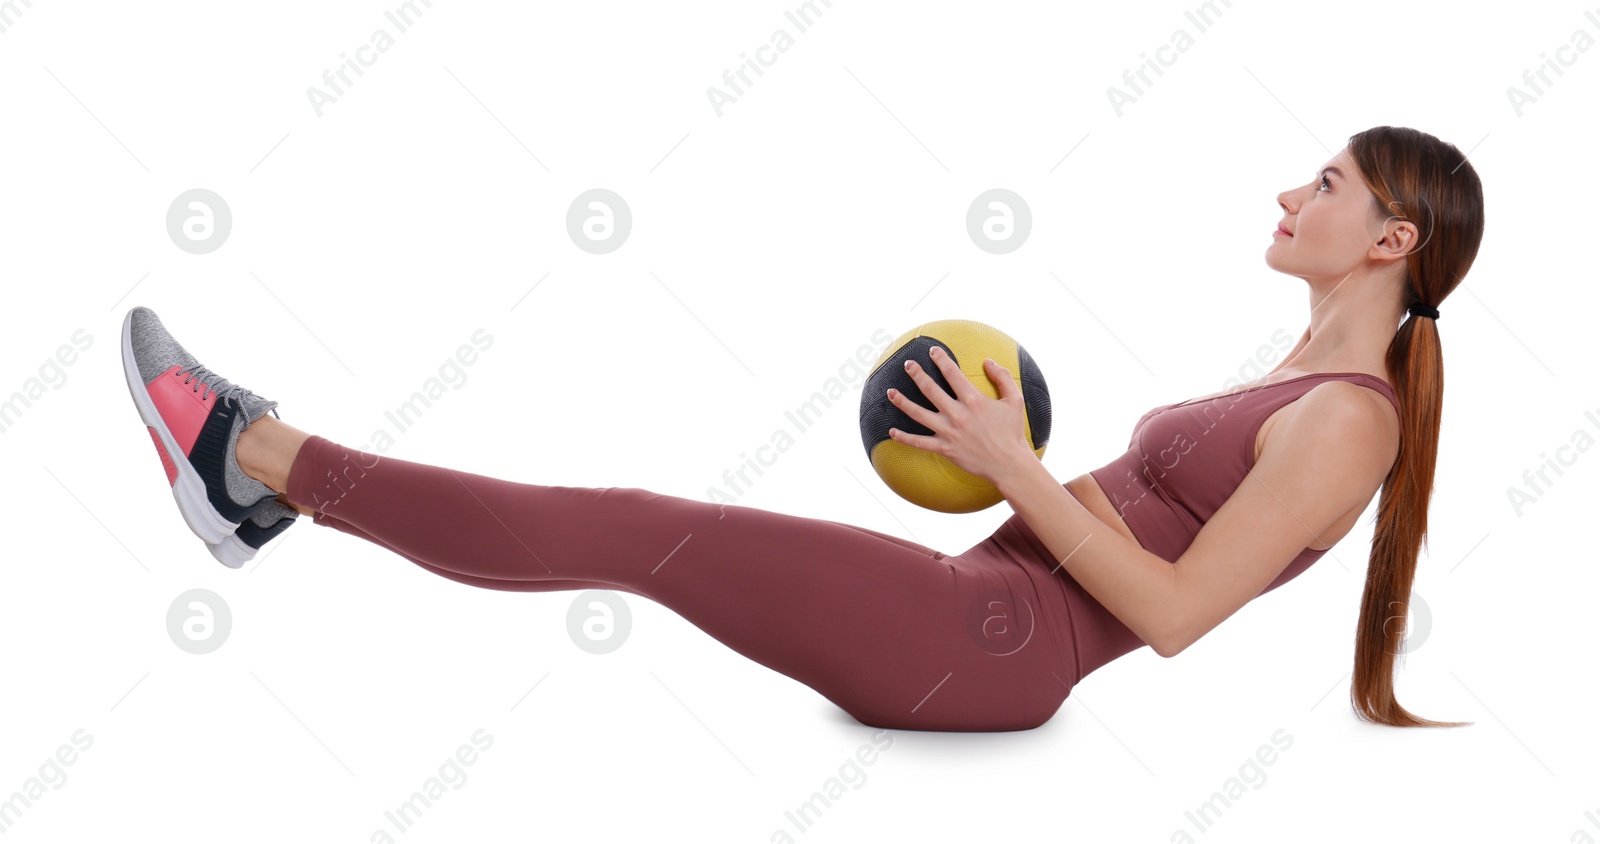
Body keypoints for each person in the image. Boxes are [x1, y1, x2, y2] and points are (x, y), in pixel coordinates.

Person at [121, 125, 1482, 732]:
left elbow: (1178, 617)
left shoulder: (1347, 426)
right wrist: (994, 472)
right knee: (640, 530)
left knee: (637, 530)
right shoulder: (1305, 370)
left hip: (994, 646)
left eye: (1328, 182)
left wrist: (1011, 463)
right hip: (981, 610)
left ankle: (249, 456)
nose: (1291, 192)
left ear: (1392, 239)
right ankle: (255, 483)